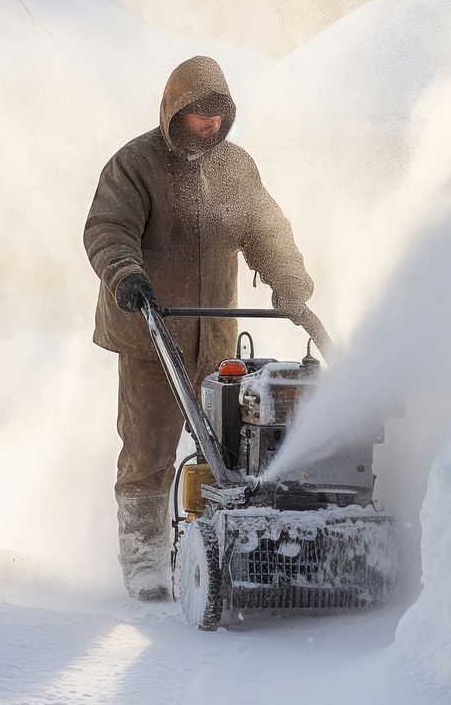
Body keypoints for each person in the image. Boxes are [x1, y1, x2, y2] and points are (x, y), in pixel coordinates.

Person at [84, 55, 313, 600]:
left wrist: (288, 276)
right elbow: (108, 229)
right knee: (148, 450)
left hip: (213, 336)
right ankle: (144, 559)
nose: (209, 127)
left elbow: (266, 228)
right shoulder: (135, 164)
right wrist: (126, 274)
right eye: (199, 116)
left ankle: (221, 543)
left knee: (234, 451)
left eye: (218, 117)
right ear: (175, 112)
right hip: (150, 332)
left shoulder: (236, 167)